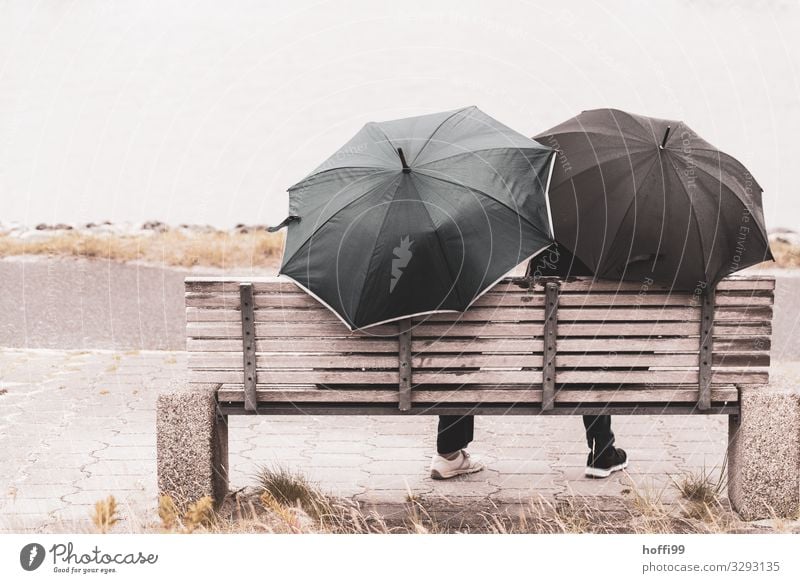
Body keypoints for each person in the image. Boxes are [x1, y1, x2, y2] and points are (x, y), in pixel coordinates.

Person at [429, 245, 628, 480]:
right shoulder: (604, 259)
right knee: (592, 355)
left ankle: (449, 452)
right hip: (577, 371)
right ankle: (602, 451)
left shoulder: (541, 258)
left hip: (524, 376)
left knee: (459, 346)